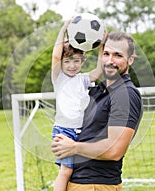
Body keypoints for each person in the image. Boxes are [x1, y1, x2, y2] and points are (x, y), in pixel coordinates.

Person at [51, 31, 143, 191]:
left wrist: (74, 147)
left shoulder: (125, 93)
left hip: (95, 185)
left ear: (130, 60)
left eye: (118, 55)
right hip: (78, 182)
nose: (110, 60)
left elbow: (114, 150)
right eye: (106, 53)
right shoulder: (99, 90)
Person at [51, 19, 103, 191]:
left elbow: (99, 71)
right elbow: (56, 55)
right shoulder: (59, 78)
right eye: (67, 62)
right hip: (64, 130)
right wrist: (64, 29)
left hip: (81, 131)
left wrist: (102, 44)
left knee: (79, 172)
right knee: (66, 170)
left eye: (76, 61)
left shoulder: (82, 80)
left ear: (82, 60)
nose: (72, 66)